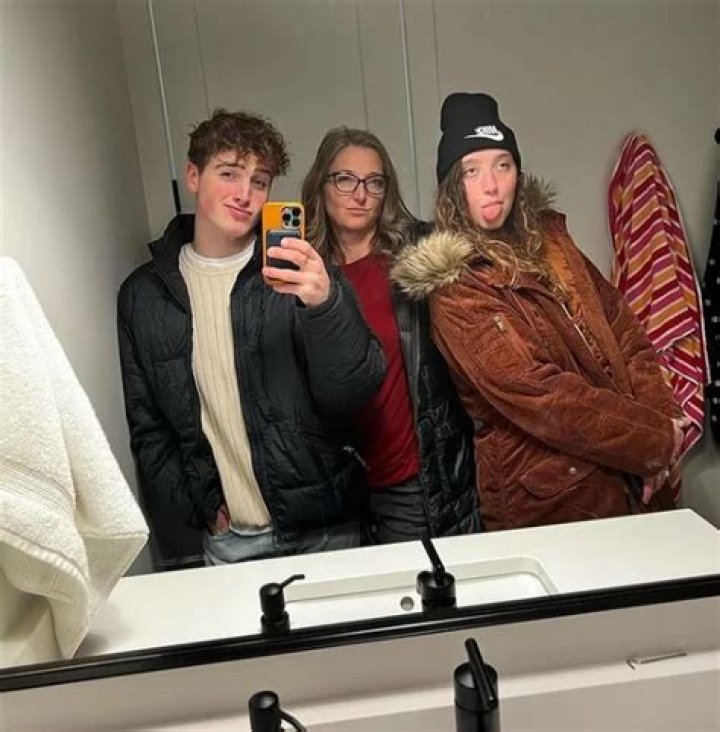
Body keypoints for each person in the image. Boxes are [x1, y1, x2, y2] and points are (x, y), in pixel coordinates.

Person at [392, 93, 686, 531]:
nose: (491, 185)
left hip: (628, 478)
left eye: (502, 165)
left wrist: (662, 424)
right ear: (453, 185)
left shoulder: (552, 241)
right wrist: (654, 442)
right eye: (472, 170)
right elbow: (543, 396)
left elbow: (625, 331)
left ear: (518, 173)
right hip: (551, 502)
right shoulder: (455, 286)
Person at [117, 109, 385, 569]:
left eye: (259, 181)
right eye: (229, 174)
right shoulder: (144, 296)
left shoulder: (301, 270)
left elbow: (355, 389)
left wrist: (326, 305)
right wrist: (201, 509)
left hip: (328, 528)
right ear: (193, 175)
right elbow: (149, 427)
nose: (245, 194)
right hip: (231, 540)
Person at [301, 126, 479, 544]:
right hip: (339, 493)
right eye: (345, 179)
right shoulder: (305, 274)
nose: (360, 195)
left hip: (413, 479)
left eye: (374, 182)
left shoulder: (420, 255)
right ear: (321, 185)